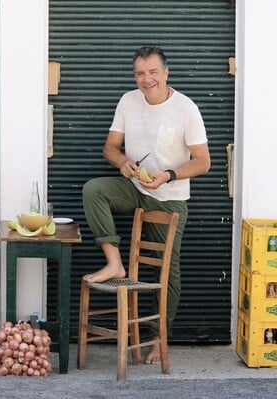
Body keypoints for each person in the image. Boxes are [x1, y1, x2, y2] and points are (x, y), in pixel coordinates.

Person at [82, 46, 211, 365]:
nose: (146, 79)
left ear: (166, 73)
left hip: (170, 198)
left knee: (166, 271)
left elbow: (203, 162)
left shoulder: (186, 109)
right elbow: (110, 148)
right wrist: (123, 161)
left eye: (153, 72)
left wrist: (168, 175)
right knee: (94, 189)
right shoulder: (128, 101)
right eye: (140, 73)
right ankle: (114, 262)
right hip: (135, 188)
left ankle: (157, 340)